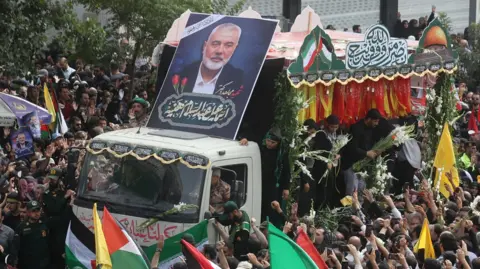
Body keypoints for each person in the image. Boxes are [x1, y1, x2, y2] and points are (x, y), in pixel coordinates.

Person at [170, 23, 244, 96]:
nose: (219, 51)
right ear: (204, 46)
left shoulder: (239, 80)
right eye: (215, 43)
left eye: (228, 45)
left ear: (234, 49)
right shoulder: (179, 75)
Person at [258, 127, 290, 223]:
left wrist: (286, 187)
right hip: (260, 182)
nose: (270, 144)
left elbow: (286, 171)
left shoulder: (281, 154)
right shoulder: (261, 149)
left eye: (273, 142)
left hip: (274, 185)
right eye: (268, 141)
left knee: (272, 207)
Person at [14, 200, 51, 269]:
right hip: (27, 263)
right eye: (33, 211)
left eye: (38, 210)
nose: (36, 213)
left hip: (42, 262)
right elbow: (16, 246)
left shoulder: (44, 224)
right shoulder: (22, 227)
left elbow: (48, 242)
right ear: (28, 212)